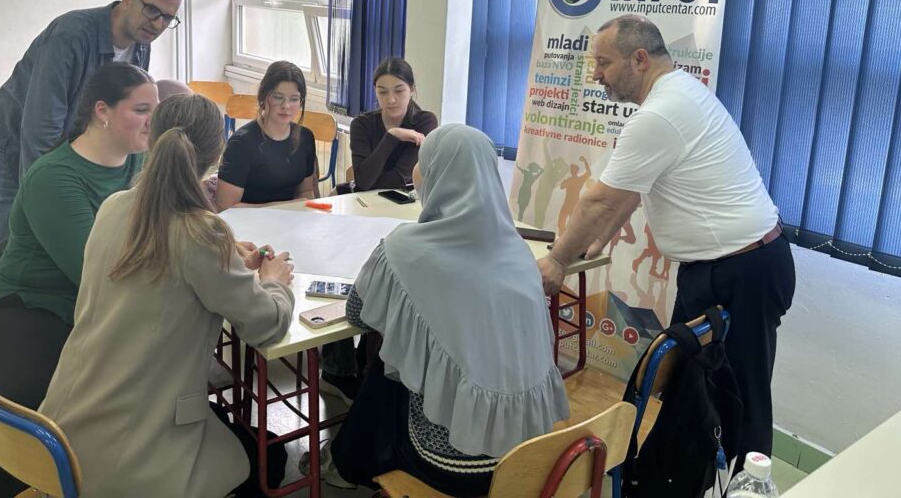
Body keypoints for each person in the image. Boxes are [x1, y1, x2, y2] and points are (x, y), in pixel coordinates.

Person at [538, 15, 795, 466]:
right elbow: (633, 189)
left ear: (639, 59)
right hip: (723, 267)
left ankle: (746, 487)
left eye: (603, 62)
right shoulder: (678, 94)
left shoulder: (661, 113)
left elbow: (600, 199)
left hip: (740, 271)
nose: (596, 74)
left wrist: (557, 261)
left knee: (740, 402)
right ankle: (670, 481)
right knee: (685, 390)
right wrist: (598, 241)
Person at [40, 93, 295, 498]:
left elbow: (163, 262)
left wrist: (225, 254)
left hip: (60, 433)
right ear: (217, 156)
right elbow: (265, 324)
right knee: (271, 458)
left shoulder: (114, 207)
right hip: (130, 456)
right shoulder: (202, 233)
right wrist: (274, 281)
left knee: (230, 432)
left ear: (151, 137)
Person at [325, 124, 569, 496]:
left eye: (422, 163)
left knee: (391, 368)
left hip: (449, 463)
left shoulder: (404, 249)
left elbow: (358, 315)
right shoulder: (520, 251)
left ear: (436, 174)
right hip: (527, 453)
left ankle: (345, 464)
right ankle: (345, 461)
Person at [0, 63, 157, 497]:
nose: (152, 121)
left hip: (92, 312)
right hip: (26, 312)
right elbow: (97, 273)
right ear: (102, 111)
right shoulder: (54, 177)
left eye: (155, 109)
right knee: (33, 422)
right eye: (141, 109)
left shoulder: (142, 163)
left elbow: (168, 228)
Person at [0, 0, 182, 308]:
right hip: (12, 153)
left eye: (168, 18)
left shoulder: (140, 47)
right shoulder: (71, 35)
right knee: (2, 255)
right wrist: (43, 197)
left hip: (65, 160)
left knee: (63, 263)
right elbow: (40, 128)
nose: (158, 24)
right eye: (152, 10)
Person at [214, 61, 317, 210]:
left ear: (301, 101)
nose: (286, 106)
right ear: (263, 97)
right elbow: (225, 206)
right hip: (248, 222)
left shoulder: (306, 138)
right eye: (278, 97)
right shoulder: (241, 143)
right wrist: (281, 207)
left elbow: (305, 191)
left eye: (294, 99)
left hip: (292, 220)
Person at [348, 57, 438, 191]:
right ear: (375, 91)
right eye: (383, 92)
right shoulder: (361, 124)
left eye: (399, 91)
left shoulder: (425, 122)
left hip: (405, 200)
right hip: (365, 201)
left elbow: (400, 179)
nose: (391, 100)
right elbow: (363, 182)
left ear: (412, 89)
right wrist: (392, 135)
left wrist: (366, 181)